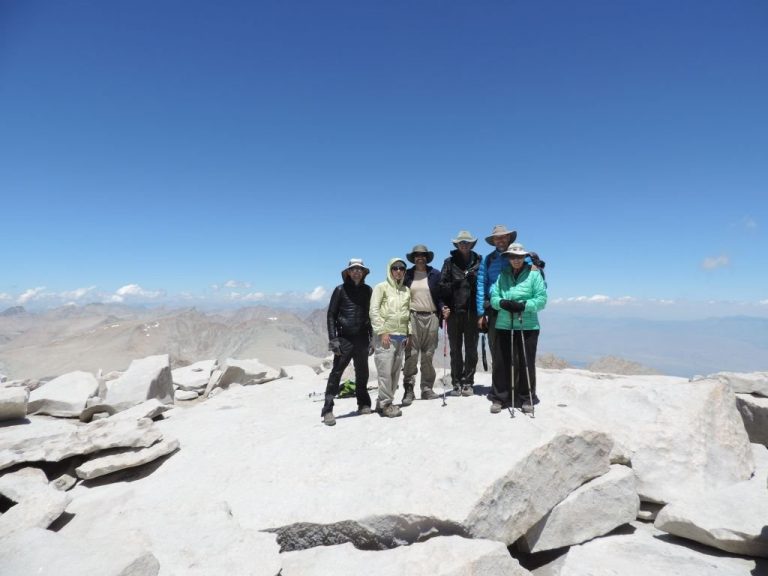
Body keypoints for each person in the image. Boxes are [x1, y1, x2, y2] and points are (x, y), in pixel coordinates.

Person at [489, 242, 548, 414]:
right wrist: (502, 303)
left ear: (524, 257)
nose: (516, 260)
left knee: (525, 362)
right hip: (504, 324)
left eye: (519, 256)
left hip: (527, 325)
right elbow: (494, 297)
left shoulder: (534, 275)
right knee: (501, 362)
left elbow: (541, 300)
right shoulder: (503, 275)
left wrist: (523, 305)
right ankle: (500, 397)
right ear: (508, 258)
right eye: (513, 257)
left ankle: (526, 398)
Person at [321, 259, 374, 426]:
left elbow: (371, 315)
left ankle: (363, 403)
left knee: (362, 373)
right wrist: (333, 340)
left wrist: (372, 339)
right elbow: (331, 315)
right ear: (348, 273)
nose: (357, 272)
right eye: (354, 269)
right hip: (344, 339)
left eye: (360, 269)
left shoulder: (368, 290)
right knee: (336, 373)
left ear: (363, 272)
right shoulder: (340, 290)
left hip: (362, 339)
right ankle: (328, 410)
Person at [439, 230, 482, 396]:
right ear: (456, 244)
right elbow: (441, 287)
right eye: (461, 242)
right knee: (455, 349)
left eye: (467, 242)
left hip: (472, 313)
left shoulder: (479, 261)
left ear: (471, 244)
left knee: (471, 349)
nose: (464, 244)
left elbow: (483, 285)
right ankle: (456, 382)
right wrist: (456, 284)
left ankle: (468, 382)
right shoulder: (449, 263)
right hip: (455, 313)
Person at [402, 244, 446, 404]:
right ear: (413, 258)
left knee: (428, 353)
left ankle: (427, 388)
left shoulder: (435, 274)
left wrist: (443, 308)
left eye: (423, 255)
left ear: (427, 257)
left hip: (432, 316)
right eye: (417, 255)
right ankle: (408, 389)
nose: (420, 257)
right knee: (411, 353)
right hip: (412, 316)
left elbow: (440, 296)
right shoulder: (407, 275)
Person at [476, 225, 517, 394]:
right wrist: (480, 313)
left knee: (515, 350)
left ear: (508, 238)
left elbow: (534, 276)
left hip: (514, 307)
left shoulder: (519, 255)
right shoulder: (488, 260)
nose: (500, 240)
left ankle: (515, 387)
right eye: (497, 238)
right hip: (493, 308)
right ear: (493, 241)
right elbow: (481, 284)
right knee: (496, 349)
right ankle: (499, 389)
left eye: (503, 237)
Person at [370, 257, 411, 418]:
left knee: (394, 373)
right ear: (390, 269)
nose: (399, 271)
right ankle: (386, 404)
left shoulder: (406, 290)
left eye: (402, 268)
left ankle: (385, 402)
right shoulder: (381, 287)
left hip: (401, 337)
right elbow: (374, 311)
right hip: (385, 337)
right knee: (385, 373)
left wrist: (409, 333)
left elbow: (407, 314)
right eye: (395, 268)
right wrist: (382, 331)